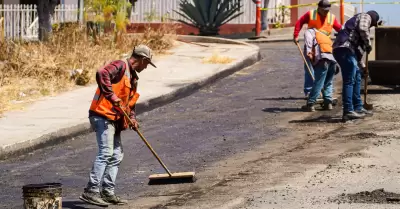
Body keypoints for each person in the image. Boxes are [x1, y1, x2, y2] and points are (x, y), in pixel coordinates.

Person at [80, 44, 157, 206]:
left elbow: (130, 103)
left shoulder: (133, 78)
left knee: (116, 155)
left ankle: (108, 192)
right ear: (143, 59)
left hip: (114, 119)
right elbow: (101, 73)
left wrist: (132, 118)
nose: (146, 67)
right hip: (102, 115)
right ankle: (91, 191)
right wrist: (111, 96)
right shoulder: (120, 66)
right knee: (106, 153)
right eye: (147, 64)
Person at [332, 10, 381, 121]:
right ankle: (348, 110)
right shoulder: (366, 16)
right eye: (373, 24)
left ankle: (358, 107)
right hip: (344, 49)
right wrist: (368, 44)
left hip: (347, 51)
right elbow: (363, 28)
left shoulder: (356, 34)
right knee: (349, 80)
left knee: (358, 76)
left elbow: (357, 55)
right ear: (373, 19)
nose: (371, 26)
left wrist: (363, 67)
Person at [293, 0, 342, 99]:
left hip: (325, 46)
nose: (326, 12)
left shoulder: (331, 17)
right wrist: (296, 35)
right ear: (319, 8)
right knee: (309, 68)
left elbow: (340, 29)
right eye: (324, 10)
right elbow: (300, 22)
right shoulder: (311, 14)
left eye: (327, 10)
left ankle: (325, 92)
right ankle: (310, 91)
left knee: (326, 69)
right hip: (312, 46)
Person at [301, 28, 339, 112]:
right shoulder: (323, 35)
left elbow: (308, 43)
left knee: (318, 82)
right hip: (333, 59)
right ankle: (328, 103)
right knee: (328, 82)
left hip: (323, 59)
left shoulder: (309, 32)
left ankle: (310, 103)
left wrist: (309, 53)